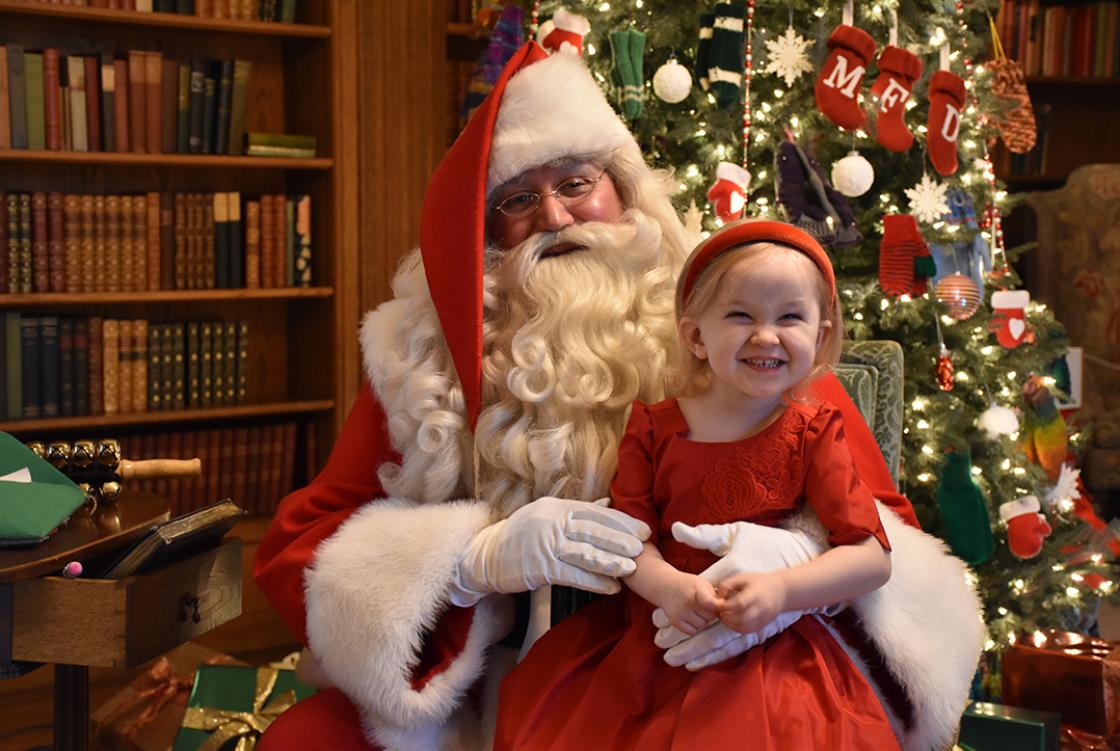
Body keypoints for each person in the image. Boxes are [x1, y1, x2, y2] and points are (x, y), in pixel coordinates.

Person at [255, 42, 982, 751]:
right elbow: (304, 550)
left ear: (624, 188)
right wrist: (467, 563)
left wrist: (792, 558)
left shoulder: (730, 324)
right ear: (485, 232)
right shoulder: (422, 357)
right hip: (492, 676)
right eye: (518, 198)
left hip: (713, 651)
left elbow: (884, 528)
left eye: (576, 183)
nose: (556, 218)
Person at [493, 220, 899, 749]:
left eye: (790, 317)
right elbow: (629, 537)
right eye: (740, 315)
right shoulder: (654, 426)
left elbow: (872, 557)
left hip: (772, 646)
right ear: (695, 335)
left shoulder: (813, 433)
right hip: (656, 634)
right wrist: (664, 584)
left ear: (819, 336)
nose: (766, 335)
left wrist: (782, 590)